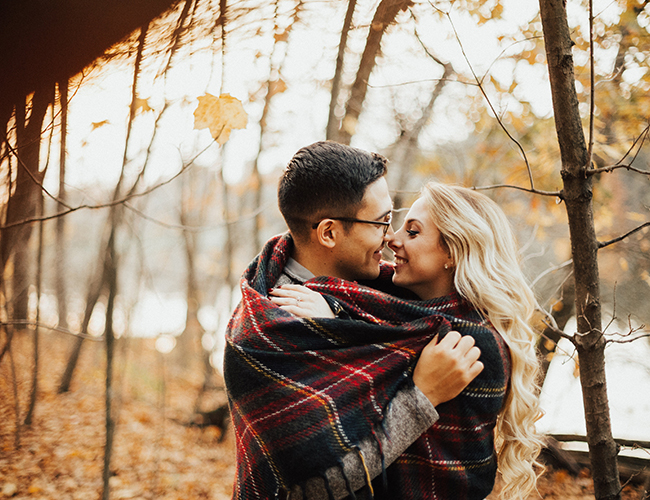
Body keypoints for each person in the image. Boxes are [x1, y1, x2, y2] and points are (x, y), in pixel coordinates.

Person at [223, 141, 484, 500]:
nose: (390, 238)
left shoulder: (375, 293)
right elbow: (313, 486)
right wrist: (422, 396)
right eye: (381, 223)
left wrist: (339, 319)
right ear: (329, 233)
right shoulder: (266, 330)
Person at [275, 182, 544, 499]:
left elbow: (379, 360)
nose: (391, 239)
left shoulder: (468, 341)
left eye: (413, 233)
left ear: (453, 252)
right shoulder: (402, 310)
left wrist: (334, 326)